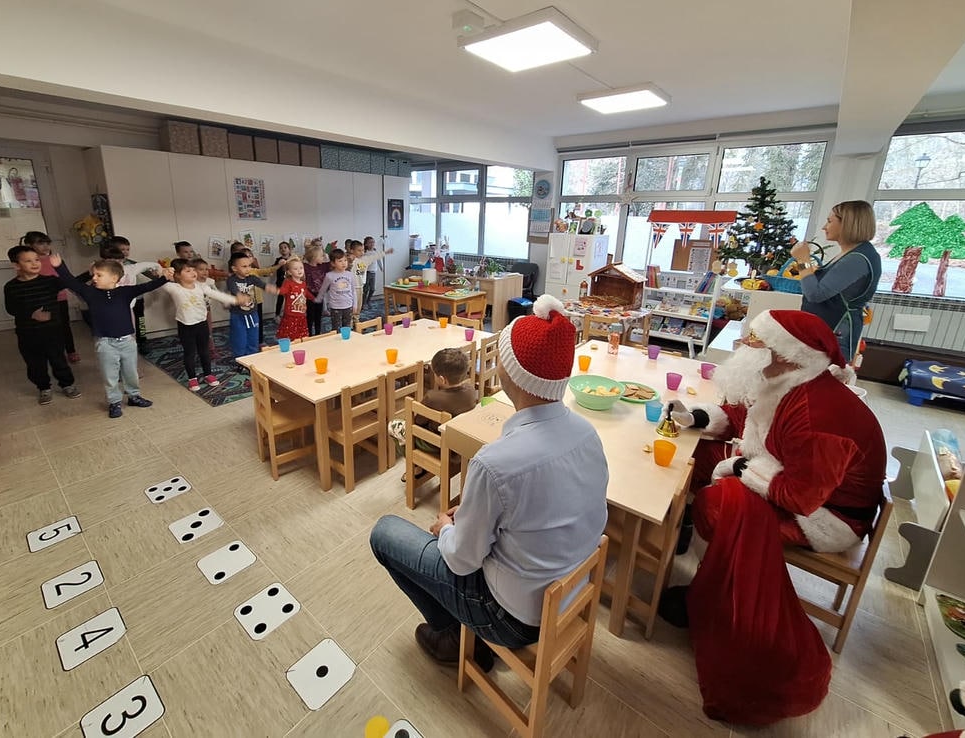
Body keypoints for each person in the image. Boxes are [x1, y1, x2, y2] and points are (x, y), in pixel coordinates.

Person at [661, 309, 886, 725]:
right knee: (696, 452)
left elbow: (800, 497)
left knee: (718, 502)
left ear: (785, 353)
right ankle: (697, 542)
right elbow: (744, 420)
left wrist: (738, 468)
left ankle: (715, 591)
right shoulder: (788, 381)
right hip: (789, 480)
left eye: (756, 342)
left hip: (826, 518)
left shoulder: (820, 414)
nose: (745, 347)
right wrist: (695, 418)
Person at [370, 295, 608, 669]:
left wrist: (447, 529)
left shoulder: (495, 462)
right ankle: (460, 632)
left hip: (510, 617)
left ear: (511, 374)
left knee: (384, 533)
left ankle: (456, 637)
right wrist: (471, 516)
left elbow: (462, 561)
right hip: (567, 595)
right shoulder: (587, 434)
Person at [50, 253, 169, 418]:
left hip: (127, 341)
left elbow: (147, 286)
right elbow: (71, 282)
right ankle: (114, 402)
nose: (94, 278)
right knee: (110, 375)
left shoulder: (125, 292)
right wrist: (59, 266)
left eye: (99, 275)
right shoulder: (90, 293)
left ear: (114, 278)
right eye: (94, 275)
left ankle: (134, 396)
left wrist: (165, 278)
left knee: (130, 372)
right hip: (105, 343)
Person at [789, 200, 881, 362]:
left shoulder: (857, 259)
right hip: (823, 330)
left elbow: (814, 294)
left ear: (847, 224)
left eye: (830, 221)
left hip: (834, 334)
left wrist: (803, 260)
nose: (824, 227)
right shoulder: (852, 253)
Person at [3, 245, 81, 405]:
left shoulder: (50, 281)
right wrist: (31, 314)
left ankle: (67, 384)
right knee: (35, 363)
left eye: (37, 259)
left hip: (53, 331)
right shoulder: (11, 287)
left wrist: (63, 267)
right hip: (27, 333)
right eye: (28, 261)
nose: (35, 263)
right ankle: (43, 387)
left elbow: (72, 282)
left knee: (58, 359)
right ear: (16, 265)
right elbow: (11, 308)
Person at [387, 347, 478, 482]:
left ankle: (417, 464)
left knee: (393, 426)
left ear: (442, 379)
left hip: (436, 445)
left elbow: (417, 422)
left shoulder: (432, 398)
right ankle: (419, 465)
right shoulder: (471, 391)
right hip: (459, 444)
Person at [161, 258, 248, 391]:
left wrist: (235, 300)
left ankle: (208, 374)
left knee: (204, 350)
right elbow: (157, 280)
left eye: (193, 270)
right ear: (177, 275)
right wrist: (164, 272)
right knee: (189, 352)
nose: (193, 273)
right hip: (185, 326)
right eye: (188, 271)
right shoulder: (173, 288)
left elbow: (217, 295)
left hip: (202, 324)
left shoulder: (201, 287)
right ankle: (192, 378)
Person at [21, 232, 79, 363]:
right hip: (40, 301)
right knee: (46, 328)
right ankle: (51, 352)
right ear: (29, 245)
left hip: (60, 298)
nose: (45, 246)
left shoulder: (54, 259)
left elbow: (67, 277)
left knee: (64, 325)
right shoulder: (29, 263)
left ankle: (71, 351)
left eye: (47, 243)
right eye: (40, 243)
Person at [225, 251, 275, 364]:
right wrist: (239, 295)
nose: (248, 269)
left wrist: (271, 288)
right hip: (238, 315)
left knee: (253, 336)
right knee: (240, 338)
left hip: (252, 313)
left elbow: (263, 285)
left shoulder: (252, 278)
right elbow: (234, 289)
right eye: (244, 266)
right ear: (234, 268)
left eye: (249, 266)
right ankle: (240, 360)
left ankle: (252, 357)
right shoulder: (231, 280)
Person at [348, 238, 392, 321]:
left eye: (362, 250)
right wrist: (349, 259)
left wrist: (386, 252)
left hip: (360, 287)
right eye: (359, 250)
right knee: (352, 307)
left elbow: (375, 256)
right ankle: (349, 323)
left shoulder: (365, 259)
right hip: (352, 288)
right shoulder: (350, 260)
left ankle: (356, 321)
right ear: (352, 251)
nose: (362, 252)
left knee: (358, 307)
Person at [314, 248, 355, 333]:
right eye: (340, 261)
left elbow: (353, 291)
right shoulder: (329, 275)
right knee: (336, 328)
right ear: (333, 263)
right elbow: (323, 289)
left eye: (345, 260)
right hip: (335, 307)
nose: (343, 263)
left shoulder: (350, 275)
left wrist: (355, 305)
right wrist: (318, 299)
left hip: (348, 305)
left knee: (347, 327)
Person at [276, 256, 314, 341]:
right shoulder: (288, 282)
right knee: (290, 336)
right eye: (295, 269)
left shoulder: (303, 283)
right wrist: (275, 290)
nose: (299, 270)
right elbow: (283, 291)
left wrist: (313, 298)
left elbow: (305, 293)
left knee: (302, 336)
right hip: (291, 316)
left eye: (301, 268)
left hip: (301, 315)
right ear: (289, 272)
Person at [302, 245, 331, 337]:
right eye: (321, 256)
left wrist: (325, 254)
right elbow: (298, 261)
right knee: (310, 316)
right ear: (314, 257)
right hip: (309, 295)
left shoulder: (323, 266)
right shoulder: (305, 267)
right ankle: (309, 334)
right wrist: (307, 248)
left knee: (318, 315)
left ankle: (318, 333)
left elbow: (331, 261)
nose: (323, 257)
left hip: (319, 294)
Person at [273, 241, 293, 320]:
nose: (283, 249)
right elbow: (273, 268)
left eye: (285, 247)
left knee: (291, 299)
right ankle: (277, 315)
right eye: (281, 248)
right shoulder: (278, 260)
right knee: (280, 299)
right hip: (281, 283)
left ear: (289, 249)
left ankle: (290, 314)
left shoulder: (293, 259)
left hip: (292, 283)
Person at [362, 235, 381, 308]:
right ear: (366, 244)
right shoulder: (364, 252)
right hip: (367, 272)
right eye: (370, 242)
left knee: (372, 289)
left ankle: (368, 300)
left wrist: (381, 267)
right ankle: (363, 303)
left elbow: (379, 260)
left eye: (373, 242)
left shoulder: (375, 252)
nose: (372, 244)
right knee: (365, 289)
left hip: (373, 273)